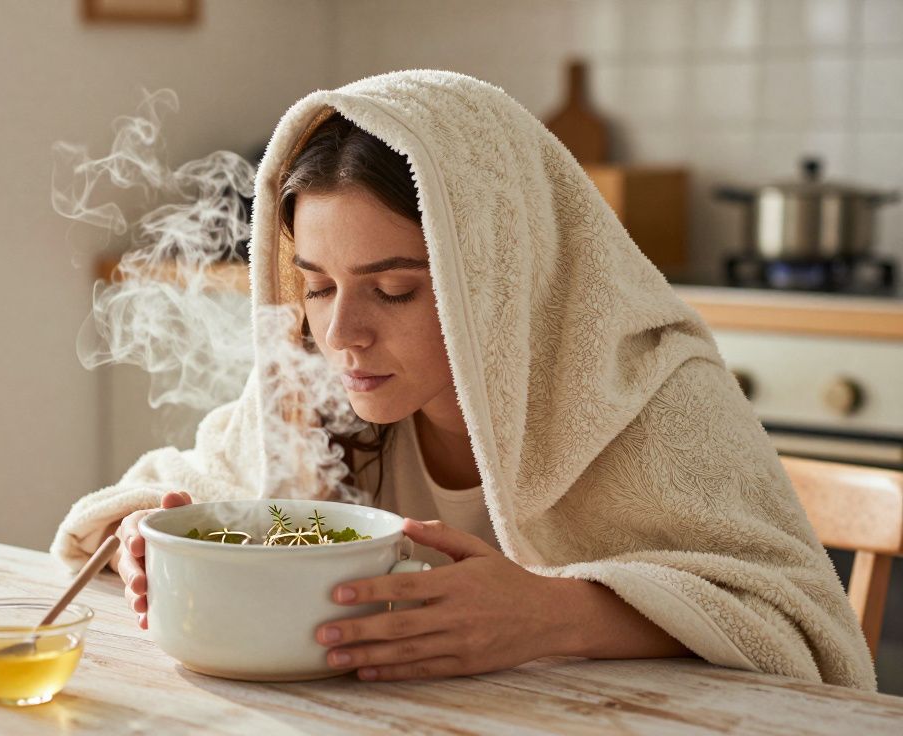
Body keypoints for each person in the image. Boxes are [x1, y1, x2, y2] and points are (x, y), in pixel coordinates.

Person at [50, 70, 875, 689]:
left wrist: (554, 612)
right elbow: (181, 490)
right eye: (318, 285)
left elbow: (800, 631)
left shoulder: (650, 389)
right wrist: (151, 546)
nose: (342, 336)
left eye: (395, 290)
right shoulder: (317, 384)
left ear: (498, 276)